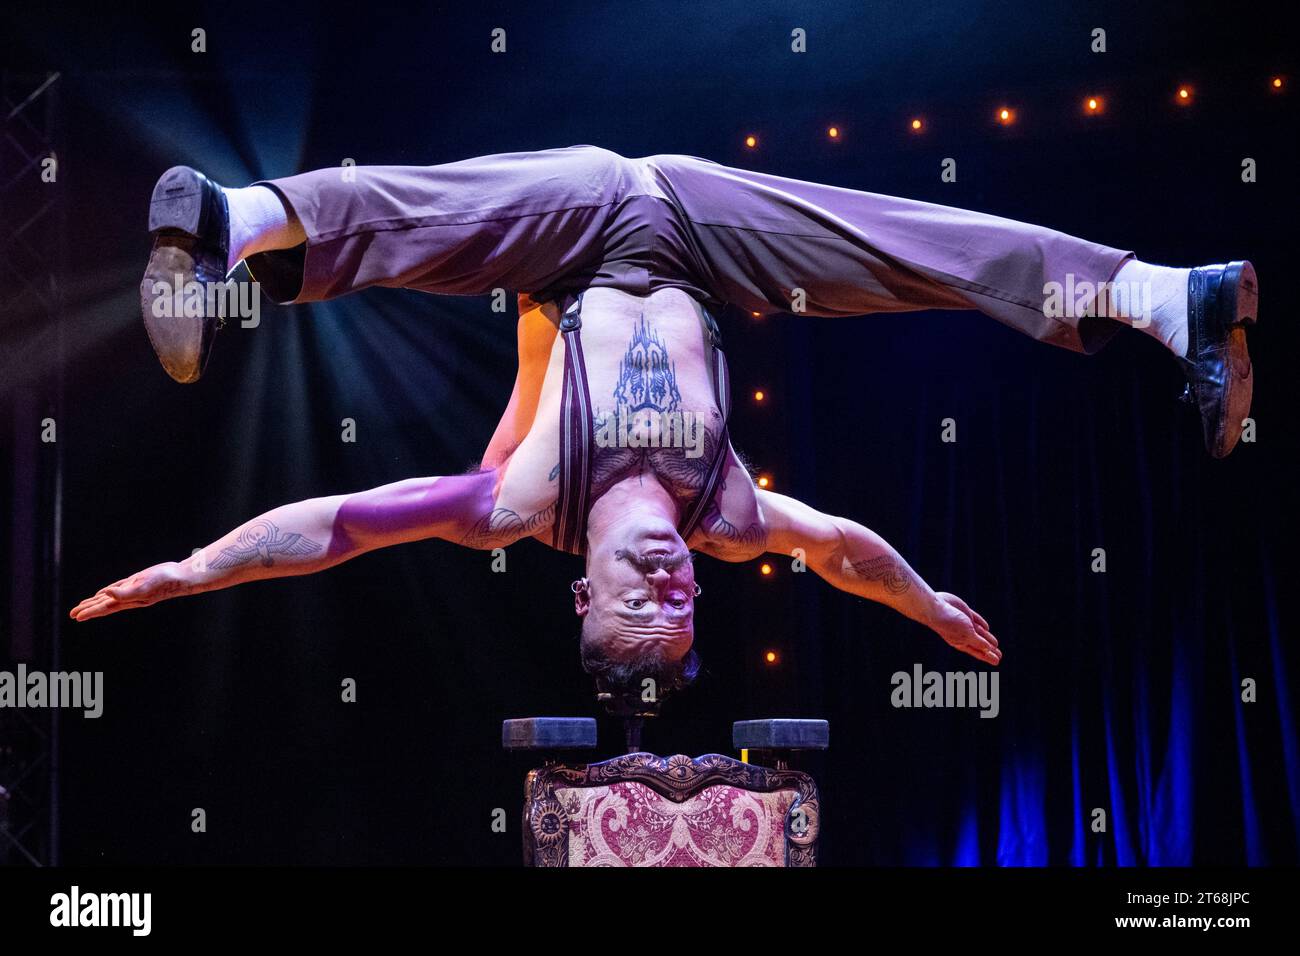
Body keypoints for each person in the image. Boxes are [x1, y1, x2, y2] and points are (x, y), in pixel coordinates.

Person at [72, 144, 1258, 700]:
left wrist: (191, 569)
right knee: (902, 253)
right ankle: (1169, 297)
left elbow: (335, 525)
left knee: (431, 216)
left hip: (575, 231)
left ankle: (229, 219)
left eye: (638, 603)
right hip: (699, 231)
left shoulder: (517, 504)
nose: (668, 587)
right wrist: (925, 604)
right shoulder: (726, 515)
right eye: (679, 605)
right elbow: (840, 547)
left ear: (584, 593)